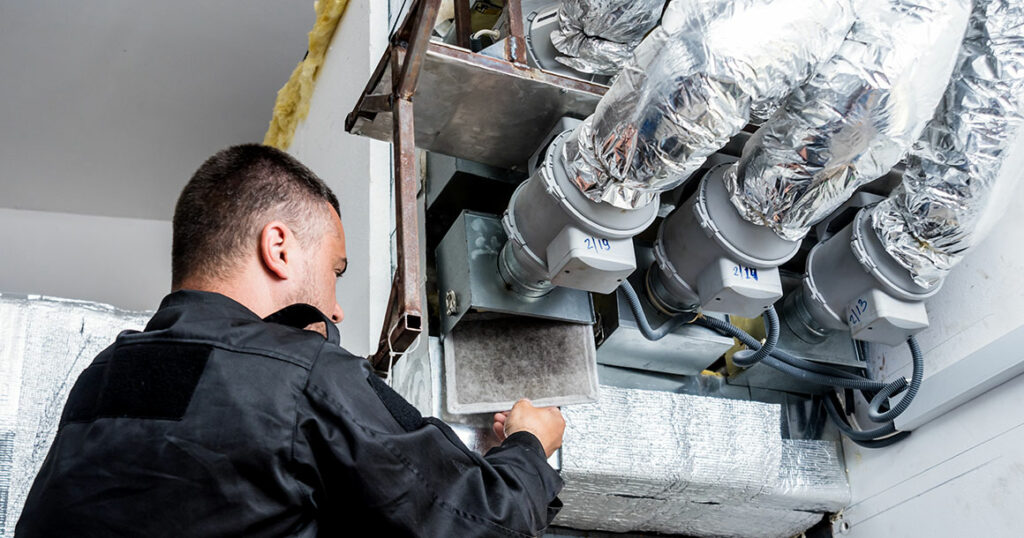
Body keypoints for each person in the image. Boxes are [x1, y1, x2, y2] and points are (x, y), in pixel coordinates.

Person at [16, 144, 566, 537]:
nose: (335, 307)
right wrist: (529, 446)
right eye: (335, 270)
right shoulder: (300, 374)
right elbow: (484, 521)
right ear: (278, 248)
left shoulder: (101, 377)